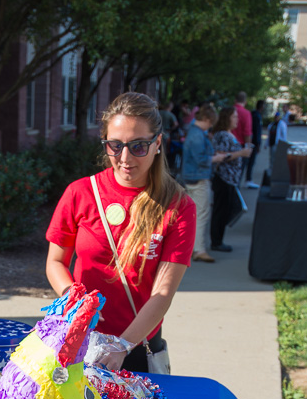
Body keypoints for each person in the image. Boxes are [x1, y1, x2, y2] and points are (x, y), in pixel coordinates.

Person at [45, 92, 196, 372]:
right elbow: (55, 262)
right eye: (115, 146)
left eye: (138, 146)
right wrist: (74, 299)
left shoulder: (178, 206)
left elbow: (162, 293)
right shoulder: (80, 192)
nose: (125, 158)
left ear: (157, 144)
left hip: (136, 347)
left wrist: (122, 346)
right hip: (79, 339)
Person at [181, 105, 227, 263]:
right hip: (198, 178)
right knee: (201, 214)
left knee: (192, 214)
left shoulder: (195, 133)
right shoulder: (198, 135)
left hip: (191, 177)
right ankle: (199, 249)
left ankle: (193, 247)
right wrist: (217, 158)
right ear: (207, 120)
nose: (211, 126)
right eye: (211, 122)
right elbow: (201, 159)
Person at [210, 107, 253, 252]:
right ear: (227, 118)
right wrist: (241, 153)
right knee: (220, 210)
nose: (237, 119)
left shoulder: (229, 134)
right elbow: (220, 155)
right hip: (224, 177)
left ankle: (218, 239)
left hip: (230, 178)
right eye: (234, 117)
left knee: (225, 208)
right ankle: (216, 241)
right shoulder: (222, 135)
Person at [245, 99, 265, 189]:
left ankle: (248, 178)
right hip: (253, 142)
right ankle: (248, 179)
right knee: (250, 162)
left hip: (253, 141)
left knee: (249, 162)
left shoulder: (254, 115)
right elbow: (256, 131)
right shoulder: (256, 116)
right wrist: (257, 144)